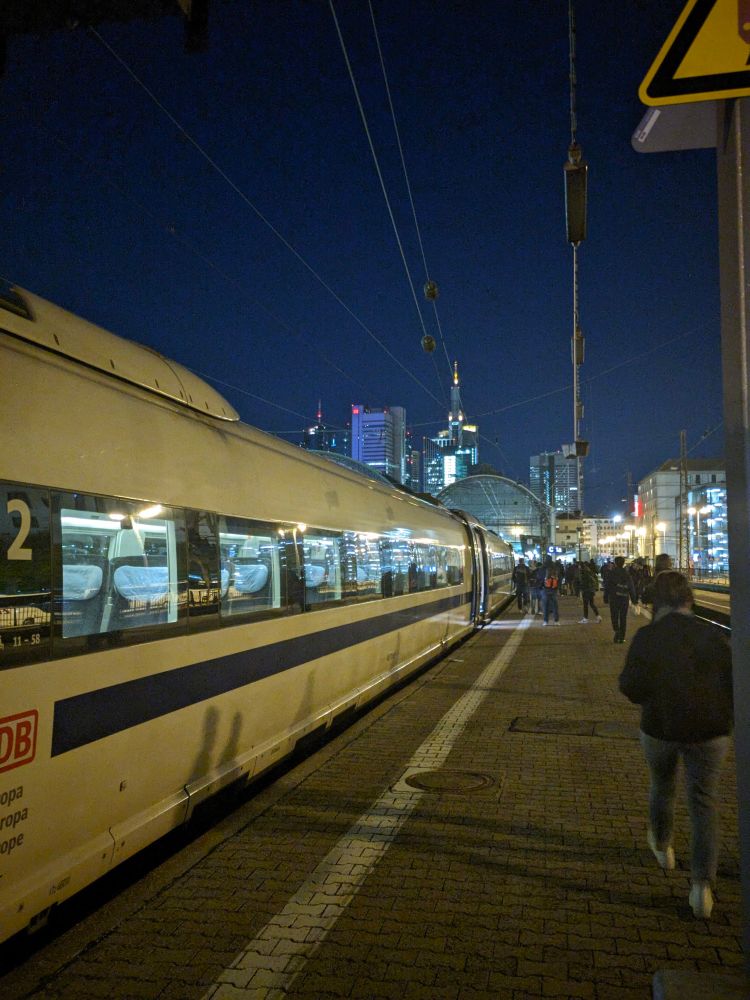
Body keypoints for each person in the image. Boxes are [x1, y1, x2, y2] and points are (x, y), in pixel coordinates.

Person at [618, 571, 733, 919]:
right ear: (689, 599)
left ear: (657, 601)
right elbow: (733, 684)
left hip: (660, 728)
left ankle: (663, 848)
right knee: (704, 804)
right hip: (710, 733)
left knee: (662, 786)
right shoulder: (712, 636)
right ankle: (701, 888)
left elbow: (630, 687)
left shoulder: (648, 637)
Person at [604, 555, 636, 643]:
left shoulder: (611, 573)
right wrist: (634, 600)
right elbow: (631, 587)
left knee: (614, 616)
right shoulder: (627, 574)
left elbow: (607, 586)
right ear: (623, 563)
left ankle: (616, 630)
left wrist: (605, 597)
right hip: (624, 597)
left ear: (615, 563)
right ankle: (622, 637)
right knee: (623, 617)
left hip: (613, 597)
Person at [541, 561, 560, 626]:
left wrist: (541, 587)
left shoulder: (543, 570)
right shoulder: (555, 571)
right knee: (555, 606)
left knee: (545, 606)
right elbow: (559, 581)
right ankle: (556, 621)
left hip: (545, 590)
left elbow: (540, 579)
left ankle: (545, 621)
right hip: (554, 590)